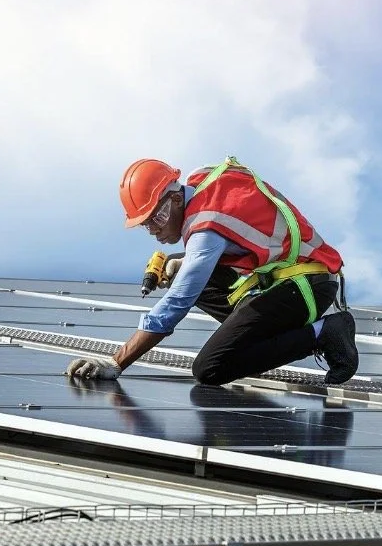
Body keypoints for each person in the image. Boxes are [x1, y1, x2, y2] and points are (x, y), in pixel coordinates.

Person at [66, 156, 358, 387]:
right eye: (146, 223)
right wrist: (184, 262)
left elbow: (176, 304)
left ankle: (324, 333)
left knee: (210, 368)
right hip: (285, 277)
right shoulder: (202, 178)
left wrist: (117, 362)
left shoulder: (205, 227)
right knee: (181, 269)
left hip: (305, 286)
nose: (154, 229)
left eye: (158, 217)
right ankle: (245, 334)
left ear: (177, 199)